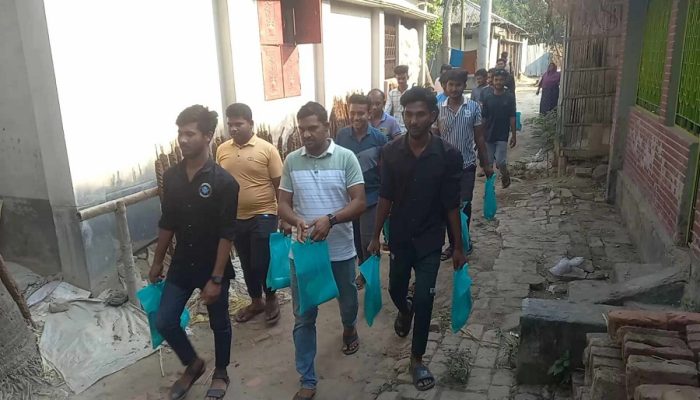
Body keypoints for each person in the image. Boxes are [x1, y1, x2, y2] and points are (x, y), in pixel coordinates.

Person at [367, 87, 468, 392]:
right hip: (399, 237)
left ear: (433, 116)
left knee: (425, 298)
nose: (413, 120)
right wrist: (375, 236)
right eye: (408, 114)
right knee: (396, 289)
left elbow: (451, 205)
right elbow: (385, 197)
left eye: (420, 114)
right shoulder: (391, 152)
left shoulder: (448, 156)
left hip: (430, 239)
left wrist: (458, 246)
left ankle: (417, 359)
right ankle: (404, 309)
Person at [278, 102, 366, 400]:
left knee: (348, 300)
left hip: (340, 250)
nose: (306, 135)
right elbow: (282, 204)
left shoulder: (346, 158)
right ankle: (307, 378)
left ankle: (349, 327)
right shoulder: (292, 161)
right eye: (302, 129)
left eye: (312, 128)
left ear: (327, 127)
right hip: (304, 253)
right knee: (304, 316)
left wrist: (331, 219)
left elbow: (359, 202)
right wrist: (296, 220)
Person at [151, 105, 239, 400]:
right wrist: (157, 262)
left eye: (190, 134)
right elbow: (168, 222)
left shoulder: (224, 183)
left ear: (208, 136)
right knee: (164, 320)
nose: (183, 140)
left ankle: (221, 372)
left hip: (213, 265)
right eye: (180, 133)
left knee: (219, 322)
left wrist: (216, 278)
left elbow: (227, 233)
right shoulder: (172, 177)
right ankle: (193, 364)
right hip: (181, 264)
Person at [216, 103, 283, 325]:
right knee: (245, 261)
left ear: (251, 124)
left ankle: (271, 297)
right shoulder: (222, 150)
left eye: (239, 124)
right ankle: (256, 301)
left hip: (264, 213)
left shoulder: (267, 149)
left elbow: (279, 185)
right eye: (230, 124)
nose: (233, 128)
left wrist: (283, 215)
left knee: (261, 261)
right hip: (235, 217)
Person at [434, 69, 493, 261]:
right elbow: (434, 138)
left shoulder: (473, 107)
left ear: (464, 86)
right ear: (445, 86)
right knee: (447, 206)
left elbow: (479, 138)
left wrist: (486, 164)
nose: (454, 88)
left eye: (458, 84)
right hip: (444, 168)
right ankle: (453, 244)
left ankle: (463, 242)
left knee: (464, 205)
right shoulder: (438, 108)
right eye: (450, 85)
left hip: (467, 165)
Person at [336, 94, 388, 267]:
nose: (356, 117)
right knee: (354, 239)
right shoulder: (342, 136)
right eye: (353, 113)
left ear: (369, 113)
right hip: (348, 199)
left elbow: (384, 171)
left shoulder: (379, 139)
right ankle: (363, 271)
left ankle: (370, 275)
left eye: (361, 113)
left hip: (371, 199)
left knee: (369, 241)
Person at [482, 69, 517, 189]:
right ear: (492, 80)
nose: (498, 82)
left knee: (500, 161)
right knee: (488, 163)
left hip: (502, 134)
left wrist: (514, 135)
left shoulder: (509, 97)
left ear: (505, 81)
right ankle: (490, 187)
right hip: (488, 134)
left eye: (501, 80)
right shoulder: (487, 98)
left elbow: (512, 116)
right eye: (496, 80)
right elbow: (483, 117)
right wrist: (480, 134)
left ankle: (505, 175)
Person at [385, 65, 410, 133]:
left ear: (408, 77)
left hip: (409, 128)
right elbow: (387, 111)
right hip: (395, 129)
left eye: (403, 78)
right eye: (399, 79)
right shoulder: (391, 93)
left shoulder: (412, 92)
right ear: (396, 78)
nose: (401, 81)